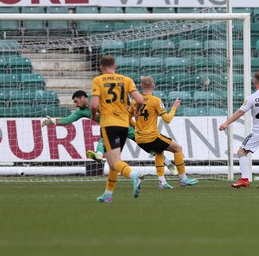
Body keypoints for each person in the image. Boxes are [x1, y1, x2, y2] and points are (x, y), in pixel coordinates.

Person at [41, 90, 178, 175]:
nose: (76, 105)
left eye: (77, 101)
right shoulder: (81, 111)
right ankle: (99, 155)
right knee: (103, 140)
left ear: (83, 97)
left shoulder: (97, 98)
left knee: (149, 146)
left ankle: (169, 164)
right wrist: (52, 121)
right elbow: (68, 120)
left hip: (125, 125)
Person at [128, 76, 199, 189]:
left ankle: (162, 182)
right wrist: (174, 107)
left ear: (140, 86)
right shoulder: (156, 100)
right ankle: (183, 179)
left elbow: (127, 119)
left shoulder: (135, 101)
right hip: (151, 136)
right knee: (178, 148)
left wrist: (136, 126)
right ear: (153, 86)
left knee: (159, 152)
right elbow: (167, 119)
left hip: (139, 138)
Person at [91, 55, 144, 203]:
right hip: (123, 124)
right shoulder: (126, 80)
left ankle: (133, 175)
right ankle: (108, 194)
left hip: (109, 124)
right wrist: (136, 111)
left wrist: (94, 116)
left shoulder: (98, 80)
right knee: (113, 160)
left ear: (101, 67)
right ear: (115, 66)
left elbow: (94, 105)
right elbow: (139, 100)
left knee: (114, 162)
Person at [219, 71, 259, 190]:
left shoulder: (252, 98)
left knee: (242, 152)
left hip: (258, 131)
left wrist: (226, 123)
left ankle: (245, 179)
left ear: (254, 82)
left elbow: (241, 111)